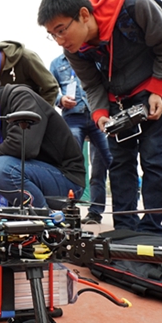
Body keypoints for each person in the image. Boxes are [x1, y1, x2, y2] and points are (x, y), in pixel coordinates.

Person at [37, 0, 162, 236]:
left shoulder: (135, 6)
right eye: (52, 34)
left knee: (155, 159)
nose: (60, 40)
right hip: (118, 101)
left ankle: (152, 230)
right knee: (120, 163)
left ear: (84, 14)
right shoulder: (73, 49)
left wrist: (159, 88)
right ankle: (125, 228)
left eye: (61, 30)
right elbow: (92, 84)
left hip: (153, 90)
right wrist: (100, 113)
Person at [0, 71, 85, 212]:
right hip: (25, 177)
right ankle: (14, 215)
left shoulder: (21, 98)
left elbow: (26, 145)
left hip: (66, 180)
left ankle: (42, 220)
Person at [49, 54, 112, 224]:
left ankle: (99, 213)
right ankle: (68, 212)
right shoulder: (56, 63)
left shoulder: (95, 56)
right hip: (72, 118)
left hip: (99, 115)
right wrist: (60, 99)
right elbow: (49, 89)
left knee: (107, 162)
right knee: (70, 163)